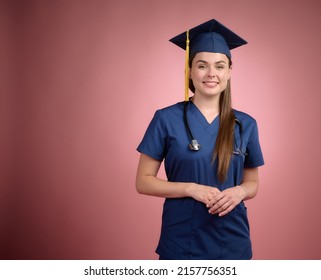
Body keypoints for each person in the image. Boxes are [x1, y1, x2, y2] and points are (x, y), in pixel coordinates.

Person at [135, 19, 264, 260]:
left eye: (220, 66)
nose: (211, 74)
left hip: (233, 241)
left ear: (229, 72)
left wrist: (238, 193)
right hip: (182, 241)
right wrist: (191, 189)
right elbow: (143, 182)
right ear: (190, 70)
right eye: (202, 65)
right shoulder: (166, 119)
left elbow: (252, 184)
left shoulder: (246, 124)